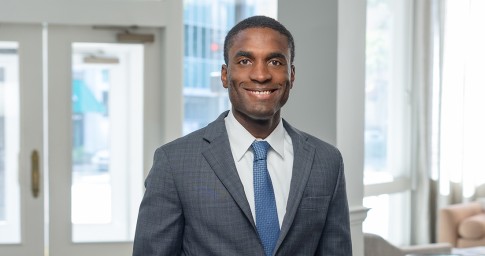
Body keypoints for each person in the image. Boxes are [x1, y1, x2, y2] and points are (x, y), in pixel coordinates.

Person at [133, 15, 352, 256]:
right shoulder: (174, 163)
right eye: (246, 61)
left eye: (275, 62)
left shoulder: (327, 161)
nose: (261, 75)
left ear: (292, 75)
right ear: (225, 75)